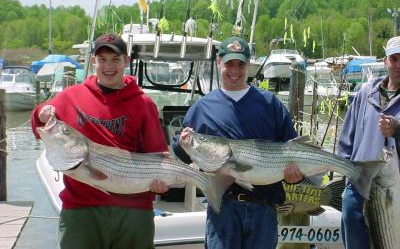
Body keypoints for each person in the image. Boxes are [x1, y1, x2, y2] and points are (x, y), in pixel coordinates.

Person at [31, 33, 169, 249]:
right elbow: (40, 125)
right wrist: (41, 113)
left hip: (134, 212)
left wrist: (160, 185)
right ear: (93, 61)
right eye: (102, 59)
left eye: (115, 59)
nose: (108, 66)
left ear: (126, 61)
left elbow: (158, 154)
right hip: (81, 209)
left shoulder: (144, 104)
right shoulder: (71, 96)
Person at [172, 36, 304, 249]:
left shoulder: (270, 104)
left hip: (264, 208)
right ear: (218, 63)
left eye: (240, 64)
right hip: (222, 209)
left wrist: (294, 177)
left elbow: (294, 151)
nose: (234, 70)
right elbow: (181, 153)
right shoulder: (202, 108)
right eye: (229, 64)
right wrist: (182, 142)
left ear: (248, 65)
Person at [338, 35, 400, 249]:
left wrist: (397, 130)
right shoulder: (365, 94)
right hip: (358, 184)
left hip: (393, 189)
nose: (398, 65)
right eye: (394, 59)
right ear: (385, 62)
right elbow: (346, 140)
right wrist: (348, 182)